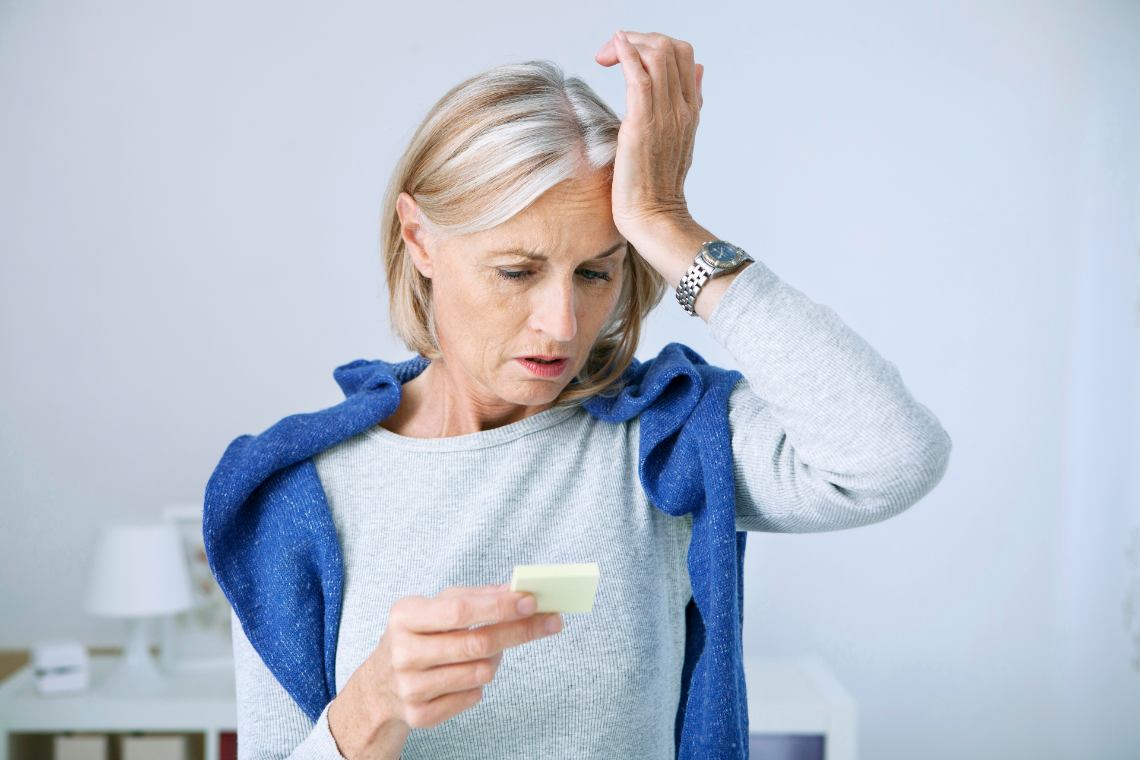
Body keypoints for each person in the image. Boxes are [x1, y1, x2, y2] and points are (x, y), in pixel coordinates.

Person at [215, 30, 952, 759]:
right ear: (419, 238)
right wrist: (369, 711)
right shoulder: (296, 495)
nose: (562, 325)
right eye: (516, 272)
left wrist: (669, 224)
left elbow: (891, 458)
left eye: (597, 273)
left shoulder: (665, 441)